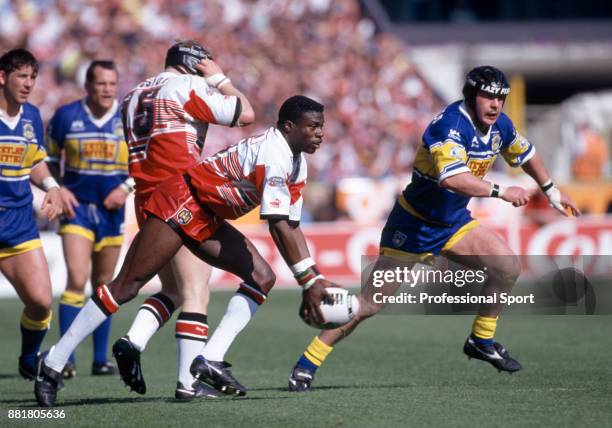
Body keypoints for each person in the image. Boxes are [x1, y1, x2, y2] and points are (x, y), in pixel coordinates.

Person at [287, 65, 582, 392]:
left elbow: (526, 153)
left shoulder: (500, 124)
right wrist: (500, 192)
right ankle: (306, 364)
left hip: (453, 224)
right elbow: (452, 178)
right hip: (414, 226)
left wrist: (551, 190)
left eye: (500, 98)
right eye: (487, 96)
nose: (495, 104)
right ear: (471, 96)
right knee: (369, 304)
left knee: (507, 266)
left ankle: (481, 340)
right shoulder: (450, 126)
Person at [35, 95, 337, 407]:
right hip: (181, 201)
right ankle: (53, 364)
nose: (320, 133)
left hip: (208, 215)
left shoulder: (297, 163)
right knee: (126, 287)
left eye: (321, 127)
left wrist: (314, 278)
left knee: (262, 277)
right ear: (289, 127)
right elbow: (277, 225)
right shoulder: (275, 154)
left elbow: (291, 224)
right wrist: (309, 282)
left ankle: (210, 358)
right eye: (313, 127)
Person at [114, 40, 255, 400]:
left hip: (145, 197)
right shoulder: (185, 85)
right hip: (177, 197)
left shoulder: (133, 94)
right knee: (196, 291)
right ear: (193, 64)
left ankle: (134, 340)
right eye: (204, 64)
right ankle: (187, 384)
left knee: (174, 290)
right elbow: (245, 113)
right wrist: (221, 79)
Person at [46, 60, 128, 379]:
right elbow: (49, 158)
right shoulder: (66, 116)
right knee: (77, 278)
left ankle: (99, 358)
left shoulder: (127, 118)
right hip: (76, 209)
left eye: (111, 83)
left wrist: (126, 188)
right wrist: (59, 188)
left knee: (104, 284)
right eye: (100, 83)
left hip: (112, 212)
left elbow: (145, 161)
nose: (107, 89)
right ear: (87, 86)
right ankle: (64, 357)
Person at [0, 48, 63, 380]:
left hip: (18, 223)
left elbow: (35, 159)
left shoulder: (32, 116)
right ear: (2, 77)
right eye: (21, 76)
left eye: (32, 77)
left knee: (40, 302)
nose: (28, 83)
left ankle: (28, 358)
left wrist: (51, 185)